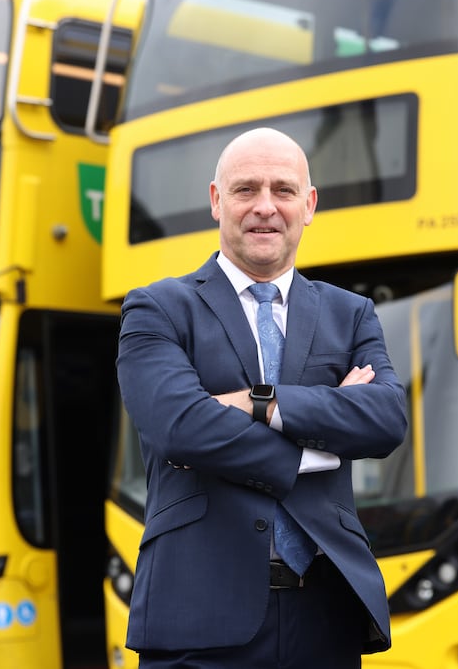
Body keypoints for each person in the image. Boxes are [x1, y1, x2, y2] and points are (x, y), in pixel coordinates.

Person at [116, 126, 408, 668]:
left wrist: (261, 403)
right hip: (197, 619)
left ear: (309, 204)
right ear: (216, 200)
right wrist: (317, 447)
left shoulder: (352, 314)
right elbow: (181, 427)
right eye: (247, 189)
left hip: (327, 614)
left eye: (283, 190)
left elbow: (387, 419)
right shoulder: (156, 309)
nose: (265, 207)